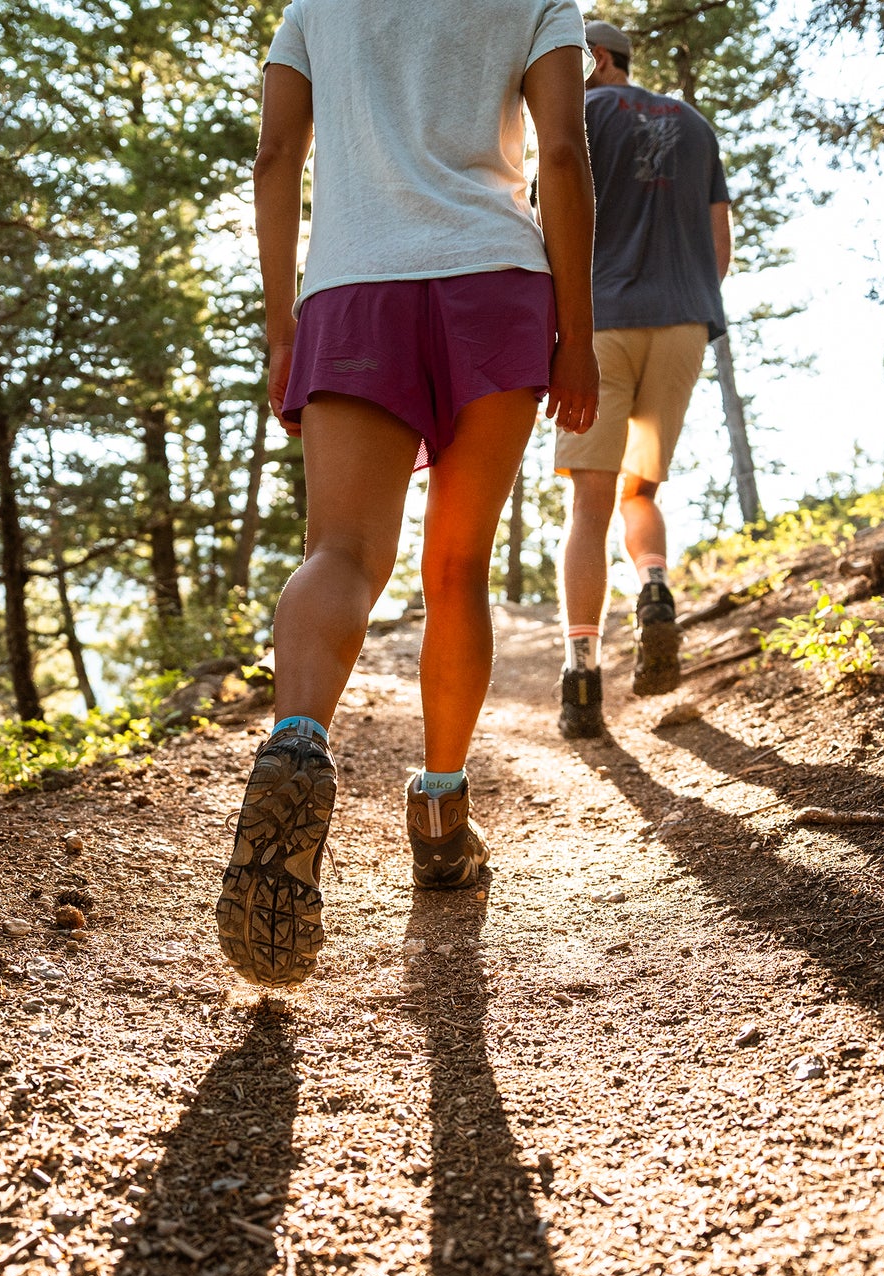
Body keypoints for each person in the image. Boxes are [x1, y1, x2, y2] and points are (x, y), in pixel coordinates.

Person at [215, 0, 599, 987]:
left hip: (353, 291)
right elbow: (561, 155)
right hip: (497, 282)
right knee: (457, 563)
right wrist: (579, 334)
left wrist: (280, 328)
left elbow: (273, 159)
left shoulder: (314, 6)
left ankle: (297, 741)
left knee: (340, 554)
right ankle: (439, 816)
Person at [554, 19, 733, 739]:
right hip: (685, 321)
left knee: (589, 503)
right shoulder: (694, 123)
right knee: (640, 488)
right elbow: (720, 243)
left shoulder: (581, 114)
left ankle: (582, 675)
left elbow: (551, 213)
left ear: (596, 58)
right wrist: (685, 294)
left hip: (601, 324)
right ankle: (654, 585)